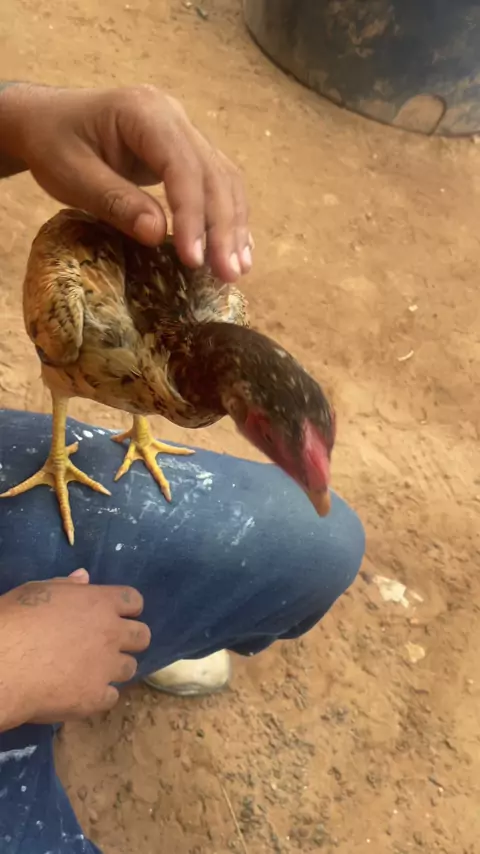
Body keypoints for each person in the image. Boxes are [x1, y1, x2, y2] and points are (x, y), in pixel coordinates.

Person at [0, 82, 365, 853]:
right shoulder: (74, 312)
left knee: (317, 539)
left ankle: (147, 623)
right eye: (263, 433)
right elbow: (72, 356)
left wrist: (21, 119)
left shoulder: (214, 310)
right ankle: (63, 461)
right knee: (72, 377)